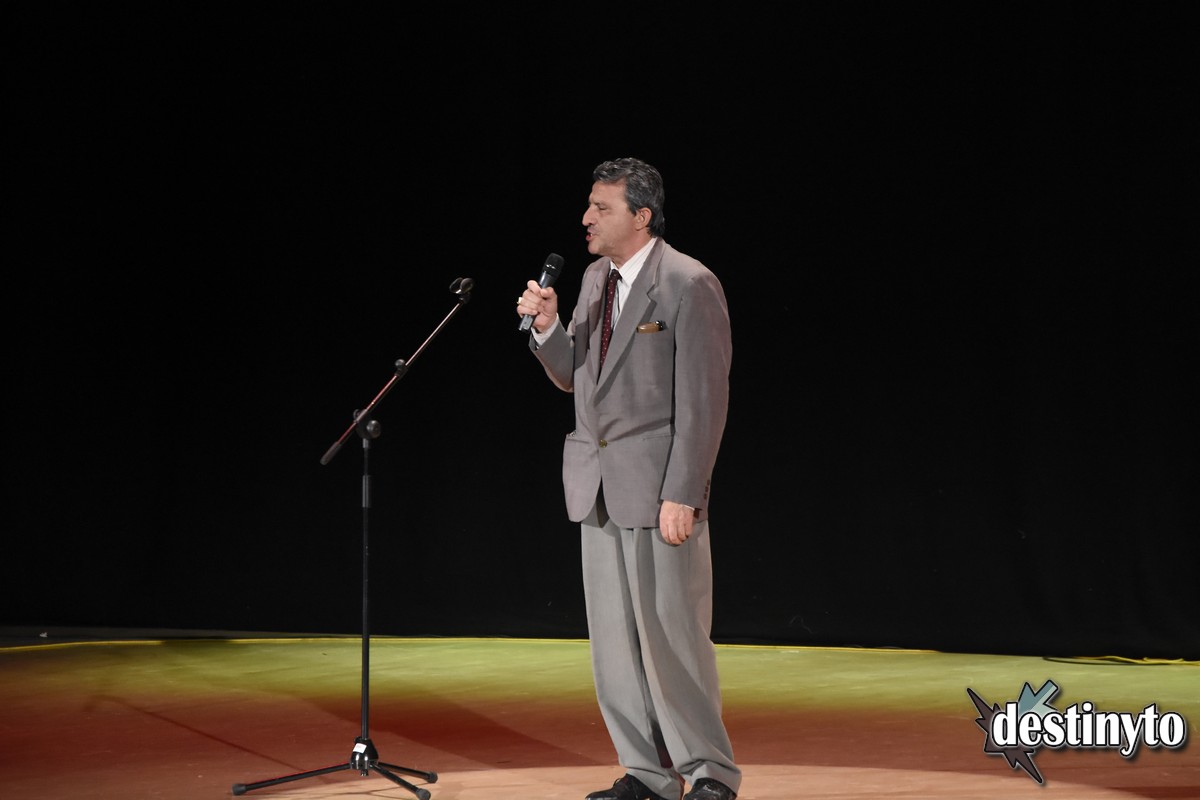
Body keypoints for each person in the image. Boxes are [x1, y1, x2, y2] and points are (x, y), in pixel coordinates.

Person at [516, 157, 740, 800]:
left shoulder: (688, 282)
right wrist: (548, 329)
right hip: (596, 487)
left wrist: (685, 491)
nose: (586, 217)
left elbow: (704, 401)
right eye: (589, 205)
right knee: (613, 645)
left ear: (641, 216)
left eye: (601, 207)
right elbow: (575, 377)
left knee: (674, 638)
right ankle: (647, 773)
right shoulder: (594, 279)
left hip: (659, 489)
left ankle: (710, 772)